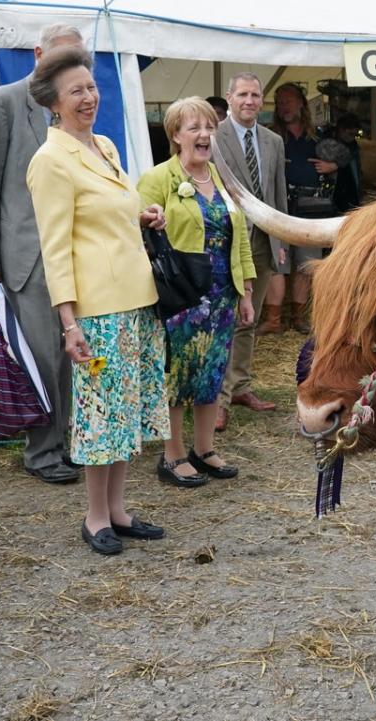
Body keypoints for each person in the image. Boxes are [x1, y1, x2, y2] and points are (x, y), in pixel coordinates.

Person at [25, 46, 169, 555]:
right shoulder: (50, 160)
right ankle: (93, 517)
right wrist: (69, 322)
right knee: (101, 418)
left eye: (91, 86)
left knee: (126, 414)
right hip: (97, 310)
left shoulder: (104, 145)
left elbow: (110, 211)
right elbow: (56, 247)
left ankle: (118, 510)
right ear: (54, 104)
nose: (89, 97)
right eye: (76, 91)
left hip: (138, 301)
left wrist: (142, 214)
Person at [0, 24, 85, 485]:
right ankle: (42, 452)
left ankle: (75, 441)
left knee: (75, 354)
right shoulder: (4, 102)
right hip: (27, 258)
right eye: (61, 58)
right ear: (39, 54)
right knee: (42, 358)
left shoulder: (78, 110)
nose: (70, 68)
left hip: (77, 254)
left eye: (77, 58)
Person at [137, 97, 256, 487]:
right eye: (194, 128)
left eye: (209, 127)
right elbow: (135, 229)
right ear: (175, 135)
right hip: (182, 294)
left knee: (211, 375)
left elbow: (239, 239)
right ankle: (171, 457)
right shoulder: (160, 178)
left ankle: (203, 450)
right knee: (178, 375)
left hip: (222, 294)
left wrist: (247, 290)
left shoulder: (220, 178)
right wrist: (150, 220)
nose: (205, 135)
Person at [212, 72, 288, 431]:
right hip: (226, 243)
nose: (250, 101)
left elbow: (278, 195)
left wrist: (281, 243)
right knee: (226, 320)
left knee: (249, 320)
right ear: (229, 97)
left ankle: (240, 387)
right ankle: (219, 400)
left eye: (255, 95)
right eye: (242, 94)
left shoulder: (273, 141)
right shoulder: (212, 137)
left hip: (262, 242)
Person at [260, 82, 348, 336]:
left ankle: (298, 317)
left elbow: (349, 155)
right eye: (279, 102)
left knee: (306, 266)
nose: (283, 107)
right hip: (277, 208)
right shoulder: (270, 138)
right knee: (276, 264)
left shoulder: (320, 138)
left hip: (312, 210)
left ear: (301, 103)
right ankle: (274, 320)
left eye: (288, 100)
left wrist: (334, 167)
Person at [332, 112, 363, 213]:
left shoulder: (354, 148)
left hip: (351, 197)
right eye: (350, 133)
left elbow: (357, 174)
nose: (353, 137)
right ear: (341, 129)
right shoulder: (328, 146)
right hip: (334, 197)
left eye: (355, 134)